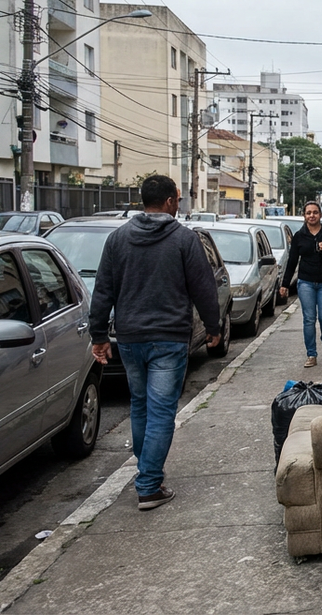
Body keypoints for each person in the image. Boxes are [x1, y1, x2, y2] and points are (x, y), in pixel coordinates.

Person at [88, 174, 221, 511]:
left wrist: (99, 335)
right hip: (169, 338)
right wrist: (213, 326)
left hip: (130, 337)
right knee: (161, 411)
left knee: (140, 404)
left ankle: (149, 471)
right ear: (170, 202)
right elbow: (203, 287)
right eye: (177, 198)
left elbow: (103, 289)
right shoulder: (184, 239)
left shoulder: (118, 239)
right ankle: (148, 484)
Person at [280, 201, 322, 368]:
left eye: (315, 212)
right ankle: (311, 354)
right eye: (308, 213)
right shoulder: (299, 236)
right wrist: (285, 284)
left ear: (320, 215)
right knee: (309, 319)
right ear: (304, 216)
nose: (312, 215)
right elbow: (292, 261)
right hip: (305, 283)